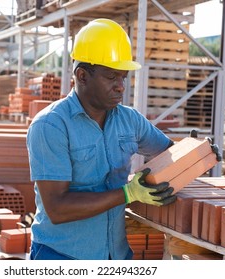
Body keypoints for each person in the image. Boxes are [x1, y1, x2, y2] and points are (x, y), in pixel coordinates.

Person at [26, 18, 210, 260]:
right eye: (112, 76)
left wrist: (196, 155)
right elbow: (57, 208)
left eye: (124, 77)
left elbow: (169, 155)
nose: (121, 86)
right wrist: (127, 193)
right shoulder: (51, 126)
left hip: (117, 256)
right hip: (61, 256)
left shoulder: (130, 120)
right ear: (82, 76)